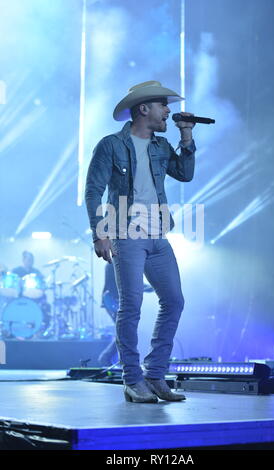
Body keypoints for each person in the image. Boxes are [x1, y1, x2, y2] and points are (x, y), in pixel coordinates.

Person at [85, 81, 196, 403]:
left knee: (174, 301)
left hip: (158, 235)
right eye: (163, 105)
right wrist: (99, 232)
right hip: (126, 233)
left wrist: (187, 137)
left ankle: (156, 375)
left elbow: (185, 174)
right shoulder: (111, 145)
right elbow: (93, 190)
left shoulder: (162, 146)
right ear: (143, 108)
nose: (169, 112)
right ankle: (132, 379)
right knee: (130, 307)